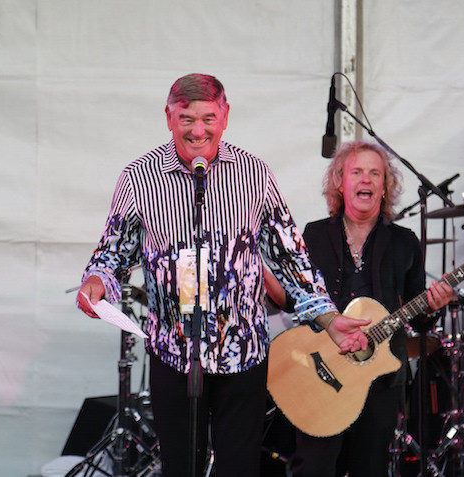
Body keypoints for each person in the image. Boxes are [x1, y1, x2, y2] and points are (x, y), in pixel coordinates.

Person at [75, 73, 369, 476]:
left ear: (225, 116)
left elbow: (292, 260)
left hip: (243, 354)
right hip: (174, 353)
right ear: (169, 117)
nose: (198, 131)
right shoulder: (138, 178)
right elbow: (112, 255)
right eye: (187, 118)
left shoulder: (254, 174)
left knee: (239, 468)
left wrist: (328, 317)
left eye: (208, 118)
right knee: (181, 468)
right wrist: (97, 283)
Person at [265, 140, 454, 476]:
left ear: (385, 186)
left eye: (375, 173)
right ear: (340, 181)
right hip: (320, 373)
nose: (366, 179)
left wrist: (434, 306)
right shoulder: (314, 235)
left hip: (378, 377)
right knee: (314, 467)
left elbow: (420, 321)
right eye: (357, 172)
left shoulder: (404, 241)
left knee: (370, 467)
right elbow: (296, 299)